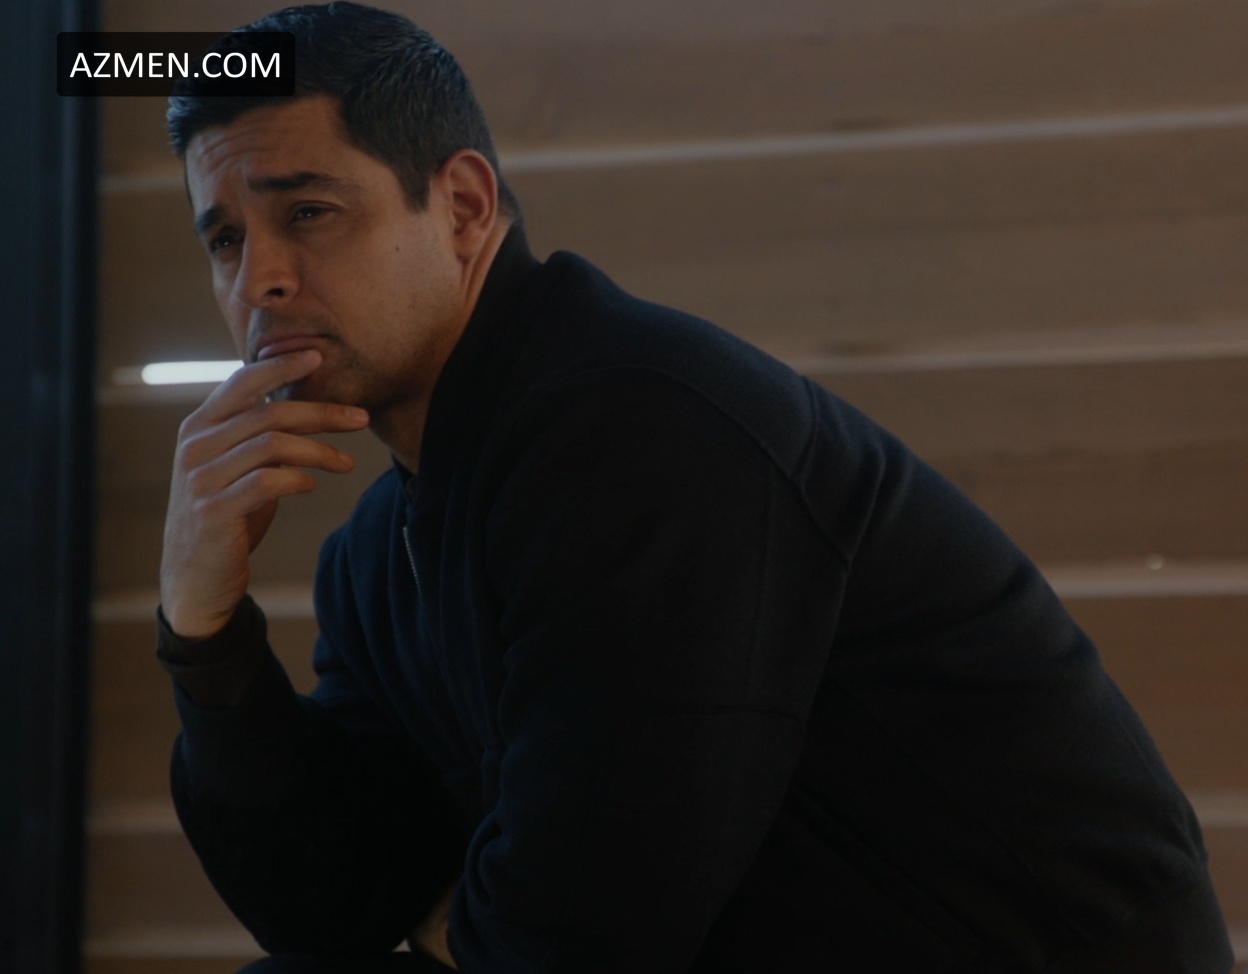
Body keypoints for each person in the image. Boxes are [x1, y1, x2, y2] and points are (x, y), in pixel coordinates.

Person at [156, 4, 1234, 972]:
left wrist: (451, 927)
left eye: (309, 213)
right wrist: (204, 630)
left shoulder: (639, 431)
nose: (260, 280)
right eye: (226, 239)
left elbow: (578, 938)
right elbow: (330, 906)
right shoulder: (382, 546)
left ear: (465, 207)